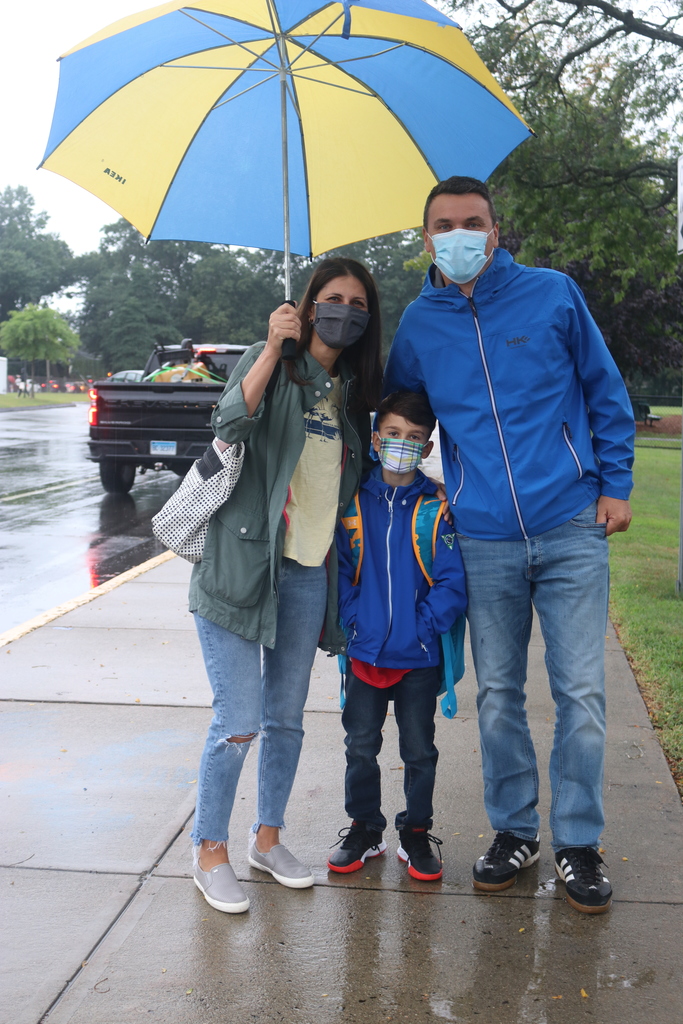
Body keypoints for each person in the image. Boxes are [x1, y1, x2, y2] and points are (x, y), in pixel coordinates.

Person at [383, 176, 635, 914]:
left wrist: (612, 484)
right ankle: (514, 832)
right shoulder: (419, 323)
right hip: (482, 536)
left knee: (579, 694)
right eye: (442, 225)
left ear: (494, 231)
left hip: (569, 526)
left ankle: (578, 843)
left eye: (472, 223)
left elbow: (604, 391)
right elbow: (402, 414)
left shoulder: (551, 294)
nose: (458, 236)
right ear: (424, 235)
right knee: (496, 696)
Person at [190, 257, 383, 914]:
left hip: (307, 577)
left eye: (358, 304)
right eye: (333, 298)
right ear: (308, 305)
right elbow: (227, 425)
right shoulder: (270, 361)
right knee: (238, 723)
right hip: (243, 572)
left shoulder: (350, 394)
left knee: (286, 721)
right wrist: (274, 349)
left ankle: (266, 840)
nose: (346, 311)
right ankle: (208, 849)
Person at [328, 391, 467, 881]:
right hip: (364, 653)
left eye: (414, 438)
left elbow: (452, 582)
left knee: (418, 750)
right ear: (375, 438)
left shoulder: (437, 509)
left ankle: (415, 831)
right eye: (393, 434)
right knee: (360, 744)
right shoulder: (352, 503)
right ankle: (365, 827)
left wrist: (423, 627)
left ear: (427, 448)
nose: (402, 444)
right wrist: (355, 622)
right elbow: (342, 572)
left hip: (419, 658)